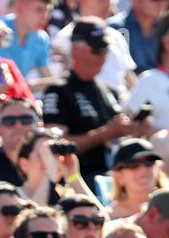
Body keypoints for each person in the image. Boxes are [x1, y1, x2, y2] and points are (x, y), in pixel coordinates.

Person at [40, 18, 133, 184]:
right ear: (76, 48)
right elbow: (54, 146)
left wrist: (134, 128)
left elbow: (118, 133)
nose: (102, 56)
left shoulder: (107, 90)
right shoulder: (59, 90)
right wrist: (104, 134)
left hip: (113, 177)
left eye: (106, 50)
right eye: (97, 50)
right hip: (77, 179)